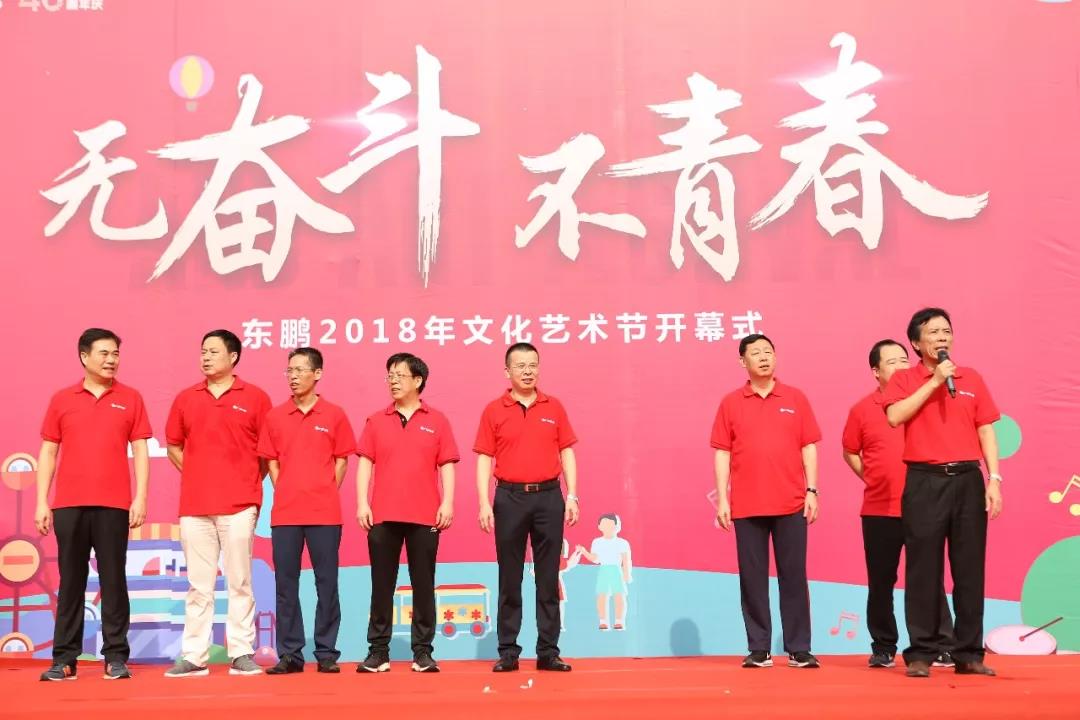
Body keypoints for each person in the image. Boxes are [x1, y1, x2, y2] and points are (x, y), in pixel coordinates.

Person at [883, 308, 1002, 678]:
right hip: (925, 480)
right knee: (923, 569)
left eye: (946, 331)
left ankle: (969, 653)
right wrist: (934, 381)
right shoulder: (904, 378)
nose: (941, 337)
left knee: (970, 569)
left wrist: (994, 478)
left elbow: (985, 429)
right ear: (916, 343)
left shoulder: (971, 377)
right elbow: (895, 416)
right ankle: (922, 652)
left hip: (968, 479)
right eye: (933, 332)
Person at [35, 328, 151, 681]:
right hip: (68, 505)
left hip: (114, 505)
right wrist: (41, 501)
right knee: (71, 581)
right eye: (104, 353)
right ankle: (64, 658)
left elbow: (141, 450)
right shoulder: (62, 399)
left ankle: (115, 656)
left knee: (114, 581)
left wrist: (140, 496)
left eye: (115, 353)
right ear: (84, 356)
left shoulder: (130, 398)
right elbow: (49, 451)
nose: (111, 359)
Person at [164, 329, 272, 677]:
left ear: (233, 356)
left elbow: (266, 452)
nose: (206, 357)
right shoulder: (186, 398)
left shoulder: (255, 398)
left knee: (240, 581)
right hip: (195, 506)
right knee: (199, 585)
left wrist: (245, 479)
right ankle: (194, 655)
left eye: (213, 351)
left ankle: (241, 652)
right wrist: (197, 473)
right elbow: (174, 445)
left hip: (240, 504)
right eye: (203, 351)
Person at [842, 339, 955, 669]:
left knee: (930, 579)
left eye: (905, 360)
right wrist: (871, 477)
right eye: (892, 362)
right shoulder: (862, 410)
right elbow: (849, 451)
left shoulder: (926, 400)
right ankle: (883, 646)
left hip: (924, 506)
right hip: (879, 510)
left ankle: (942, 644)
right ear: (875, 371)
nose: (901, 366)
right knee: (881, 582)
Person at [712, 334, 821, 670]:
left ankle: (799, 648)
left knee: (794, 576)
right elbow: (722, 452)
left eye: (768, 352)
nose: (763, 357)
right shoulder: (731, 402)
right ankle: (759, 648)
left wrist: (812, 490)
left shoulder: (795, 398)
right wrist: (723, 498)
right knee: (752, 579)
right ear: (742, 361)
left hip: (791, 502)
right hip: (747, 505)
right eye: (756, 353)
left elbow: (808, 446)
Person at [475, 342, 579, 673]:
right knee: (510, 577)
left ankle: (548, 651)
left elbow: (566, 451)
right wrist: (483, 502)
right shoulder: (494, 410)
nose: (527, 371)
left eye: (533, 365)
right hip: (509, 498)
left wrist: (573, 495)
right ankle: (508, 651)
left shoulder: (554, 406)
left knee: (548, 578)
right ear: (507, 371)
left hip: (548, 498)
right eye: (520, 365)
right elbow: (484, 458)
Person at [356, 353, 458, 673]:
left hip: (425, 515)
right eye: (390, 375)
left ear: (418, 380)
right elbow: (365, 464)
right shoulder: (376, 420)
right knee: (381, 585)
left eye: (400, 375)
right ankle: (378, 651)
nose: (393, 381)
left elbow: (447, 465)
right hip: (383, 515)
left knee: (423, 585)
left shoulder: (437, 420)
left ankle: (423, 652)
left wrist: (447, 502)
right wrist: (362, 502)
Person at [258, 347, 355, 675]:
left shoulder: (334, 414)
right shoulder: (275, 416)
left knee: (327, 584)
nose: (293, 376)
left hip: (324, 513)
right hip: (286, 514)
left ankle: (326, 652)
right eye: (290, 370)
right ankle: (290, 654)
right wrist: (285, 487)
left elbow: (342, 460)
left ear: (317, 374)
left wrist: (325, 489)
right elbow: (271, 460)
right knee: (286, 585)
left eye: (300, 370)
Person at [577, 513, 632, 630]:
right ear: (599, 526)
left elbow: (626, 560)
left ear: (616, 526)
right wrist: (584, 551)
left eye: (610, 524)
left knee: (619, 596)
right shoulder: (597, 542)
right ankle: (603, 621)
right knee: (602, 596)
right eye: (604, 524)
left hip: (617, 571)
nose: (607, 527)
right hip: (604, 570)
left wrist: (627, 574)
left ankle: (619, 621)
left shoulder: (622, 543)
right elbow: (595, 559)